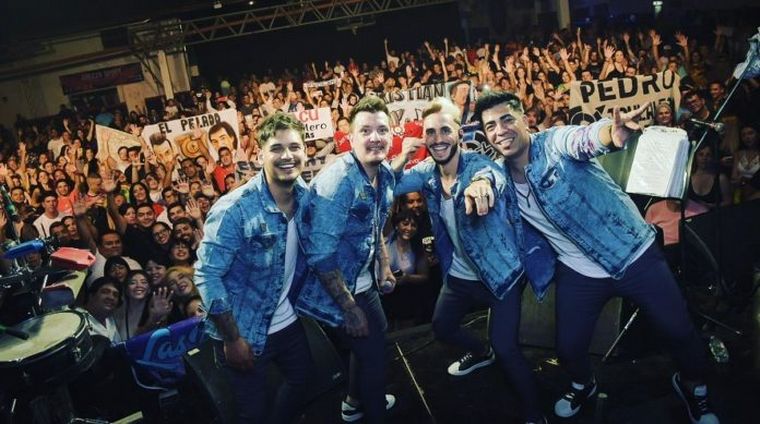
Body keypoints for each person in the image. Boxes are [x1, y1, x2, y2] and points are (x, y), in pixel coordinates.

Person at [475, 90, 719, 424]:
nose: (500, 130)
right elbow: (482, 174)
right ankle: (583, 384)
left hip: (632, 252)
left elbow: (584, 139)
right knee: (568, 348)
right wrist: (478, 183)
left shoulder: (554, 143)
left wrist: (610, 134)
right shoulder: (498, 174)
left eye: (507, 119)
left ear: (525, 120)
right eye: (491, 126)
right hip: (580, 272)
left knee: (679, 331)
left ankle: (693, 387)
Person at [392, 97, 550, 423]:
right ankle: (481, 352)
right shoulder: (427, 174)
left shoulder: (478, 165)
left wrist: (480, 187)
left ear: (459, 133)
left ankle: (536, 414)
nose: (438, 138)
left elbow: (491, 177)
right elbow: (386, 186)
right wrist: (402, 158)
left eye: (445, 130)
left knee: (506, 348)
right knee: (442, 327)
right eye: (431, 132)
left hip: (500, 276)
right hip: (460, 276)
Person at [195, 112, 315, 424]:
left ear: (305, 152)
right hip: (243, 330)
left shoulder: (304, 196)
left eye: (294, 147)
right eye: (276, 148)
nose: (287, 156)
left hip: (288, 321)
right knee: (253, 414)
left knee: (304, 382)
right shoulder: (234, 209)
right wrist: (232, 339)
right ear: (259, 155)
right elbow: (207, 274)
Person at [295, 96, 397, 423]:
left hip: (363, 281)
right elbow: (321, 255)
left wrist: (383, 263)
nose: (375, 137)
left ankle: (353, 403)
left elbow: (376, 221)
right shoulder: (338, 182)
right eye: (365, 131)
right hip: (337, 290)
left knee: (372, 342)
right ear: (350, 139)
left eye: (382, 129)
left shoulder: (383, 174)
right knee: (375, 358)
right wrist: (349, 308)